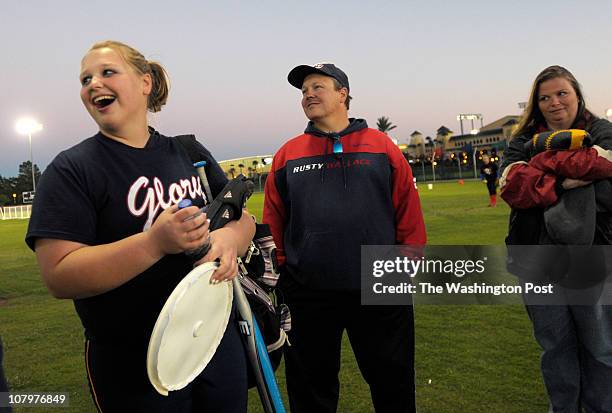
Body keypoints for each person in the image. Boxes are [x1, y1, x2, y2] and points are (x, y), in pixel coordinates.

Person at [25, 40, 255, 413]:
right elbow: (59, 275)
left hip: (212, 338)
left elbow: (243, 220)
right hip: (133, 358)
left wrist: (228, 240)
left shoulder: (189, 153)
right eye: (85, 79)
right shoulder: (71, 170)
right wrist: (154, 243)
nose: (93, 84)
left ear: (145, 83)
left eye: (107, 72)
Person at [263, 63, 426, 413]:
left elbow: (408, 211)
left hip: (380, 283)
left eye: (317, 86)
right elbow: (273, 221)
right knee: (311, 390)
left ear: (343, 94)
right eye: (304, 90)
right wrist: (282, 274)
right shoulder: (288, 153)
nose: (308, 94)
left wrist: (405, 266)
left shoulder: (381, 145)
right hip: (308, 291)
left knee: (392, 383)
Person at [500, 65, 612, 412]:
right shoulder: (521, 140)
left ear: (577, 94)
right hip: (537, 258)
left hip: (593, 253)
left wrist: (541, 170)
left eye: (561, 93)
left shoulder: (601, 129)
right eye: (544, 97)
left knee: (600, 346)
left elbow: (600, 164)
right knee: (555, 346)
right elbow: (512, 186)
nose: (554, 102)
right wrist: (563, 181)